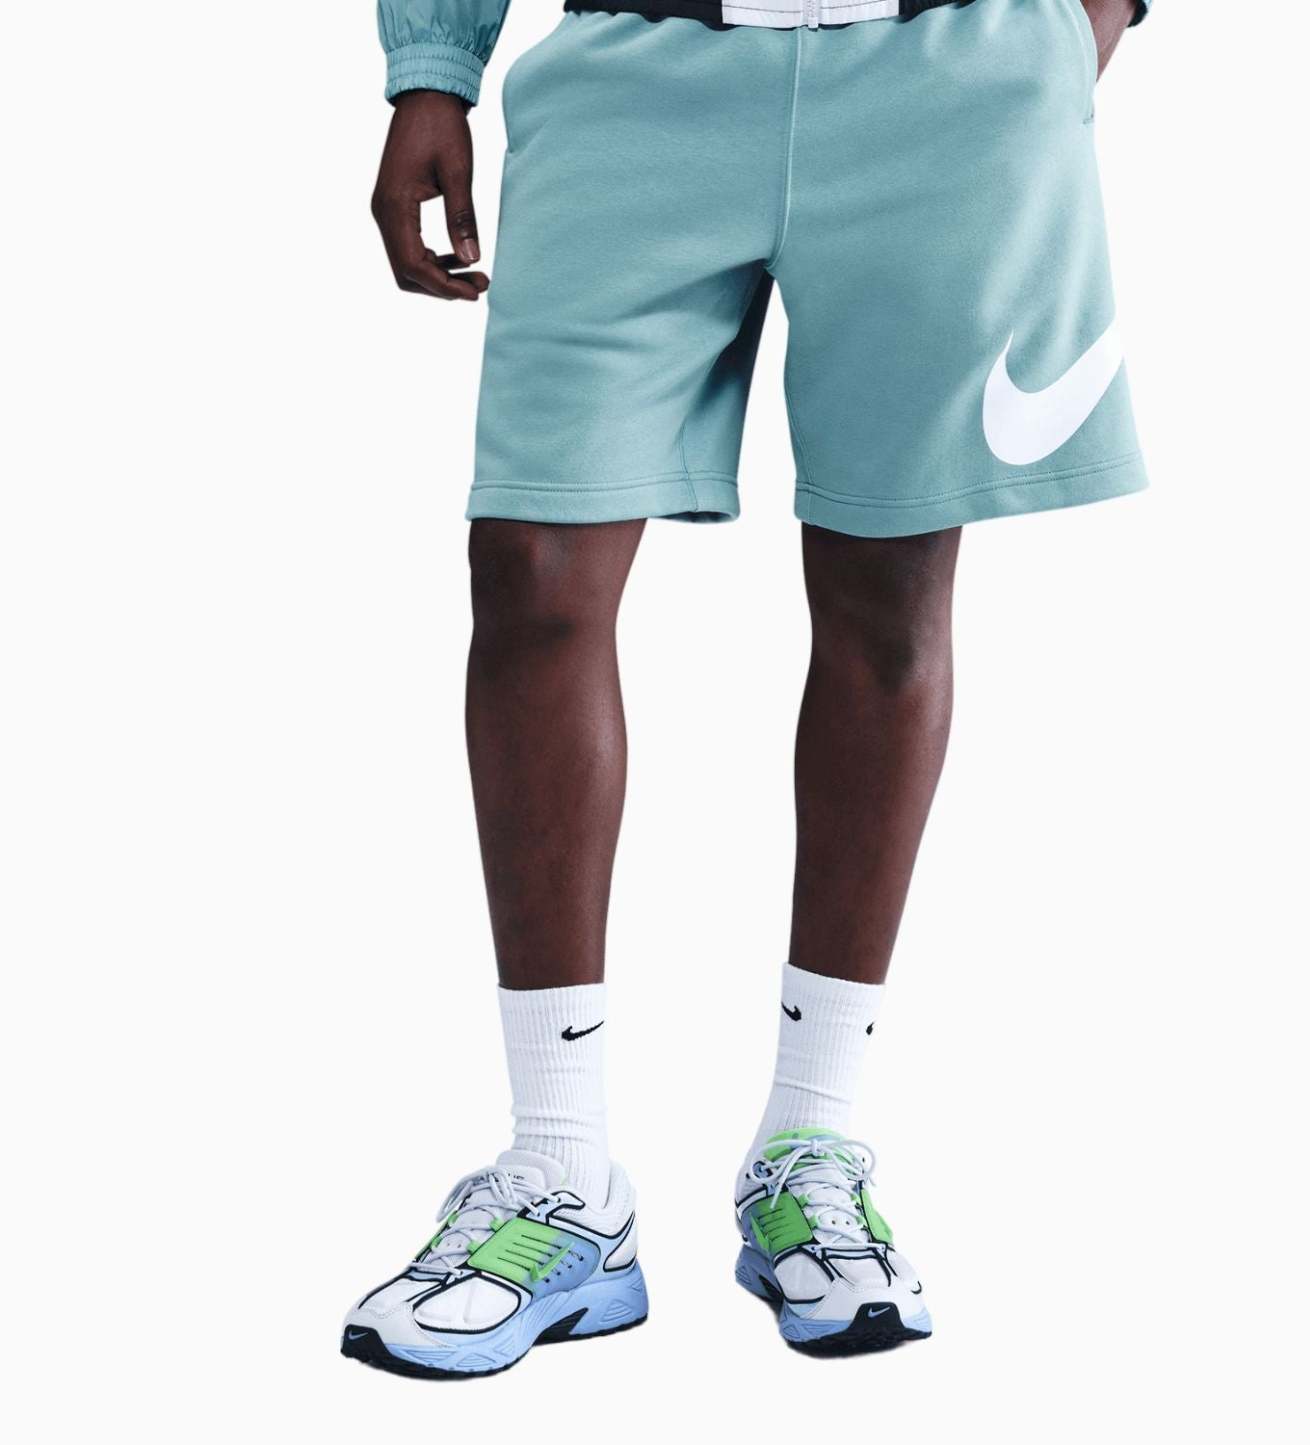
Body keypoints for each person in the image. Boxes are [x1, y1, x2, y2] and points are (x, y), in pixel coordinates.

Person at [342, 0, 1154, 1376]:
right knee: (533, 570)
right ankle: (561, 1169)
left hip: (948, 77)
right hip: (636, 72)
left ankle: (810, 1145)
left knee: (887, 590)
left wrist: (1096, 18)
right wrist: (433, 65)